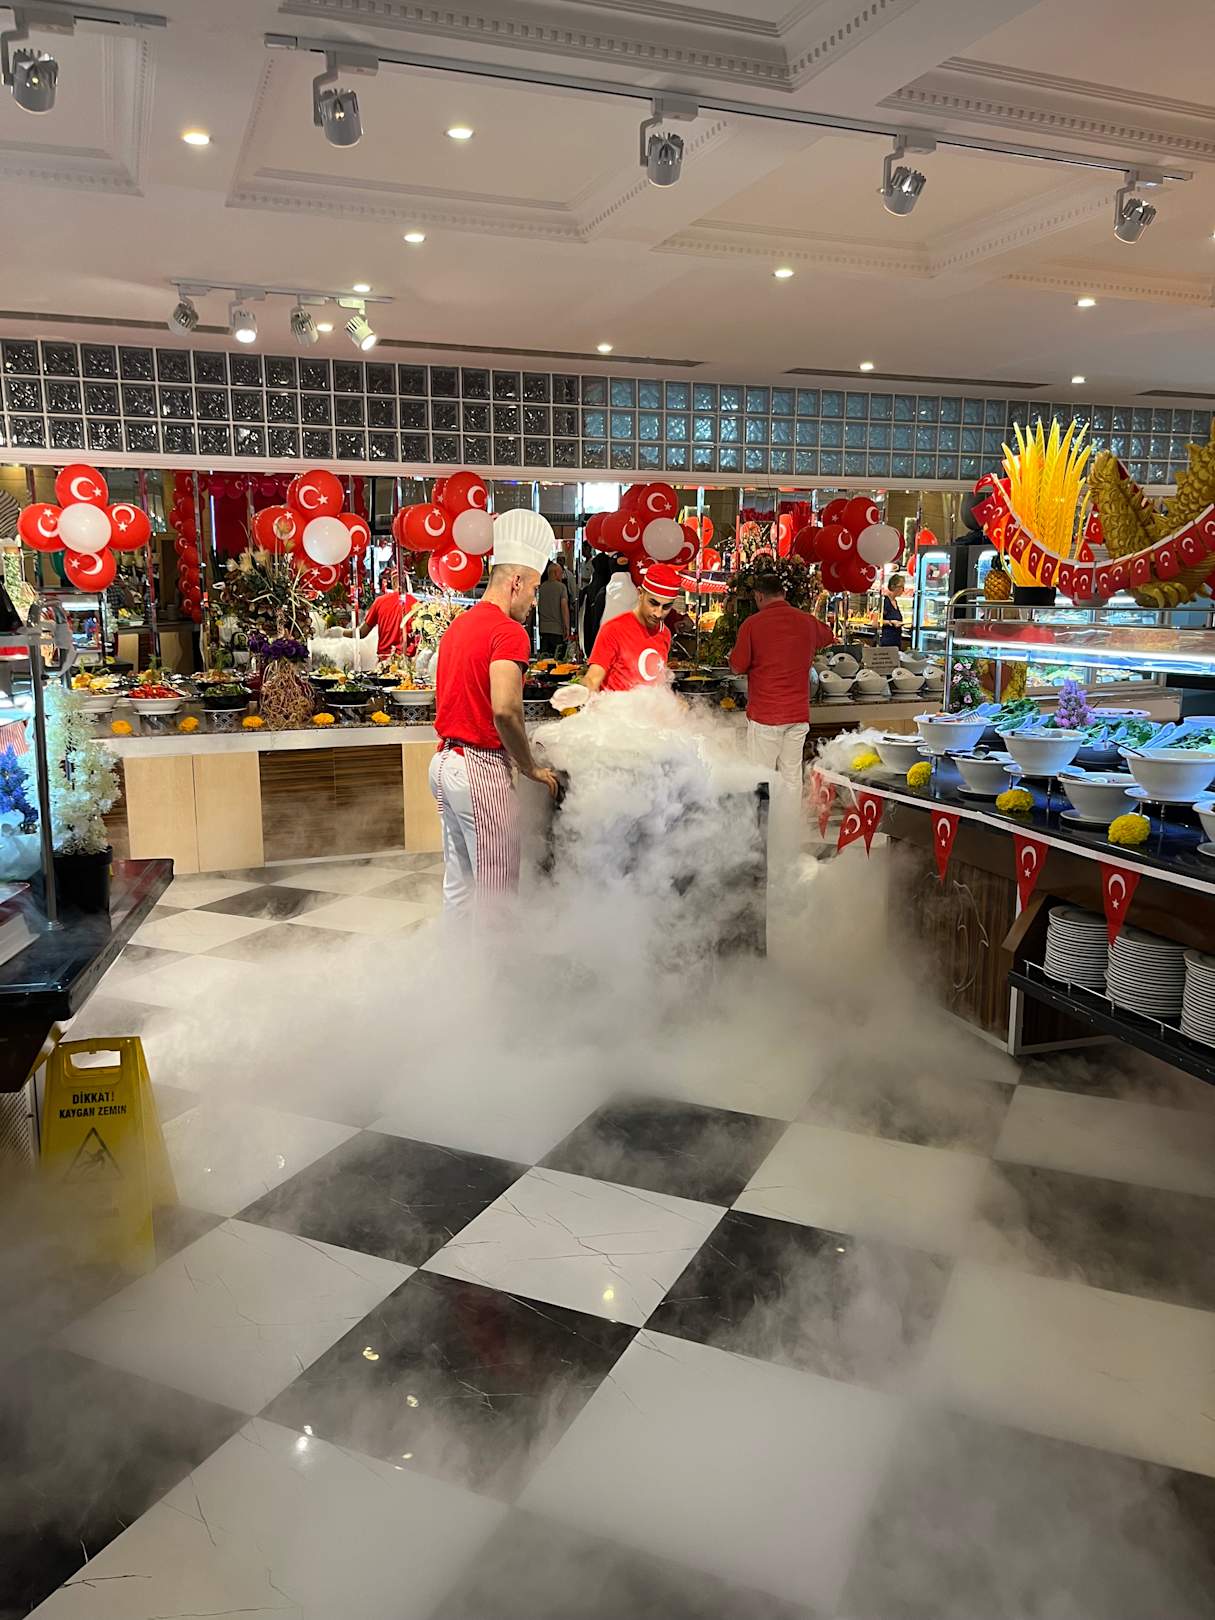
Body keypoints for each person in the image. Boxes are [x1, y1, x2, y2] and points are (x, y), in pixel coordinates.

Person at [429, 510, 560, 913]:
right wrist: (530, 767)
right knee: (497, 897)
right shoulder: (508, 632)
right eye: (534, 589)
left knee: (460, 888)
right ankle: (494, 958)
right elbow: (505, 711)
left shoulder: (460, 625)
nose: (535, 601)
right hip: (480, 768)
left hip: (444, 763)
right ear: (516, 581)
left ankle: (453, 955)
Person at [729, 572, 834, 782]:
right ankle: (788, 807)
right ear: (783, 593)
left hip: (765, 715)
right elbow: (828, 636)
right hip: (798, 714)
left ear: (759, 596)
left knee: (761, 777)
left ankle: (764, 806)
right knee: (791, 777)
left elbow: (737, 667)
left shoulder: (752, 624)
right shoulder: (806, 621)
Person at [583, 563, 680, 693]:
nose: (658, 613)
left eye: (666, 607)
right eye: (653, 603)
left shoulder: (665, 633)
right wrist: (581, 692)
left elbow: (658, 682)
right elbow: (593, 678)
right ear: (640, 593)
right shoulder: (613, 629)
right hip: (615, 706)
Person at [358, 569, 419, 659]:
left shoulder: (379, 602)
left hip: (384, 660)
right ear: (407, 582)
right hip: (408, 661)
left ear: (392, 582)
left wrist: (342, 633)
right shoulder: (416, 604)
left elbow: (362, 633)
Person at [536, 560, 570, 658]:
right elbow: (564, 608)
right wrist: (567, 627)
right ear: (555, 573)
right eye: (560, 573)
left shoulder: (542, 587)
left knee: (544, 660)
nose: (562, 575)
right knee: (557, 660)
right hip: (557, 630)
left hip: (543, 630)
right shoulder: (561, 587)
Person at [879, 573, 905, 648]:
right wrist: (890, 622)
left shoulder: (895, 602)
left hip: (896, 642)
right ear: (893, 587)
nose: (903, 590)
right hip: (886, 642)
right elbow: (875, 622)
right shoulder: (885, 601)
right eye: (901, 587)